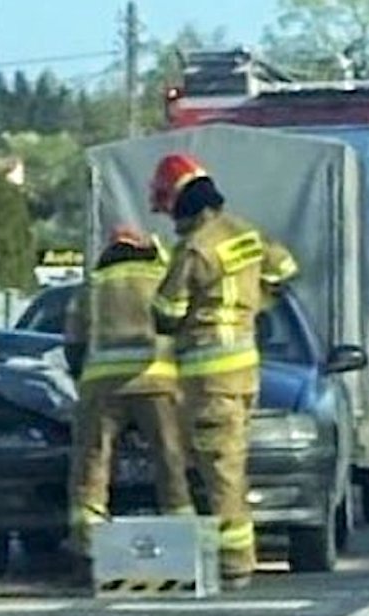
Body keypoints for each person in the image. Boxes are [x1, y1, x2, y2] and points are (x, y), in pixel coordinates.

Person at [148, 154, 298, 591]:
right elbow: (286, 270)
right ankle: (223, 554)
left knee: (220, 469)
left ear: (181, 204)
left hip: (209, 377)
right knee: (228, 462)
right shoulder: (246, 233)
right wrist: (258, 303)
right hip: (246, 371)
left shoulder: (194, 249)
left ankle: (235, 564)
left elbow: (166, 312)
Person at [64, 225, 195, 567]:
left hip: (102, 385)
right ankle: (179, 540)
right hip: (156, 382)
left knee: (92, 462)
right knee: (170, 460)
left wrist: (81, 376)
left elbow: (74, 340)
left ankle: (87, 545)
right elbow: (180, 321)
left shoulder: (94, 282)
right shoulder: (160, 274)